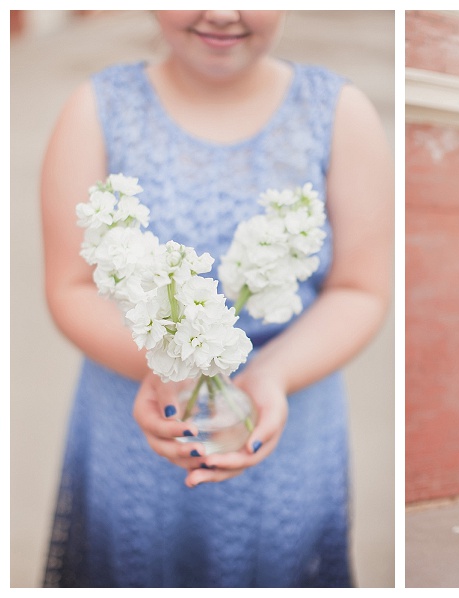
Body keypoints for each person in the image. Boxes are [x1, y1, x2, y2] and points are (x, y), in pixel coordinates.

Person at [40, 11, 392, 588]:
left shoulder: (338, 112)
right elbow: (70, 286)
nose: (222, 12)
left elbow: (360, 289)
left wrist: (270, 377)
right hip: (136, 420)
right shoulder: (96, 107)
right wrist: (164, 373)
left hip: (287, 421)